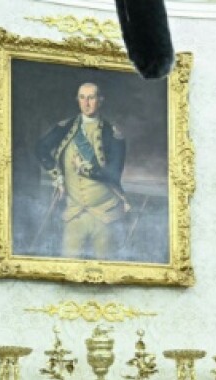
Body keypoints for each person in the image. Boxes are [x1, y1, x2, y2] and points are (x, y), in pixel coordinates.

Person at [35, 82, 128, 260]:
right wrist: (58, 177)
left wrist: (84, 169)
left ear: (100, 100)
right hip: (73, 212)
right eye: (82, 98)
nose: (86, 103)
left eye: (91, 98)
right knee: (68, 266)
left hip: (105, 214)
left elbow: (113, 174)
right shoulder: (65, 127)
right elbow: (41, 148)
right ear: (77, 100)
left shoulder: (113, 134)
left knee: (104, 269)